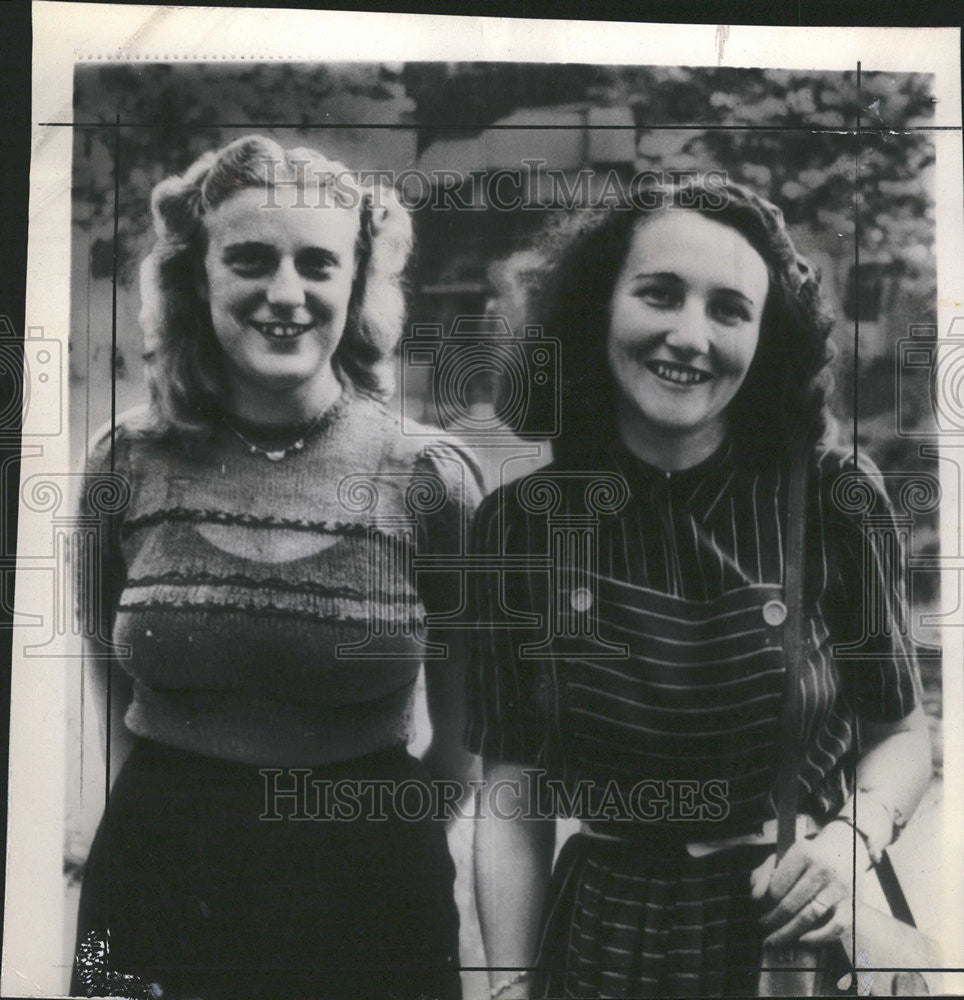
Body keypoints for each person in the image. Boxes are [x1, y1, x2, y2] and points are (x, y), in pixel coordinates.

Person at [465, 178, 932, 998]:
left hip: (786, 934)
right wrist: (507, 987)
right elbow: (515, 789)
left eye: (729, 310)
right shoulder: (520, 527)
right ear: (596, 307)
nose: (690, 336)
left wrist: (843, 849)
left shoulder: (833, 498)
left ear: (767, 339)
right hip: (603, 938)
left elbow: (901, 733)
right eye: (659, 294)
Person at [71, 134, 483, 1000]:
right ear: (196, 277)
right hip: (156, 880)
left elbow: (463, 729)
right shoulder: (126, 460)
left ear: (358, 284)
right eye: (251, 259)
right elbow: (105, 661)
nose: (285, 294)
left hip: (369, 892)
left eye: (318, 264)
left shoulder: (428, 475)